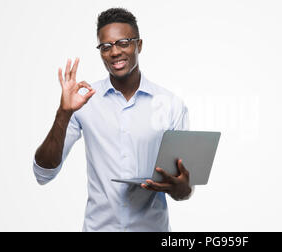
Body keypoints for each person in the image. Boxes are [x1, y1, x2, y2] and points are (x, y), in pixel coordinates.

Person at [33, 7, 193, 232]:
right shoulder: (84, 101)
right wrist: (63, 112)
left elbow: (184, 190)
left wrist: (180, 188)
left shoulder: (170, 105)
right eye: (106, 46)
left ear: (139, 45)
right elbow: (43, 173)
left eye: (123, 43)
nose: (114, 52)